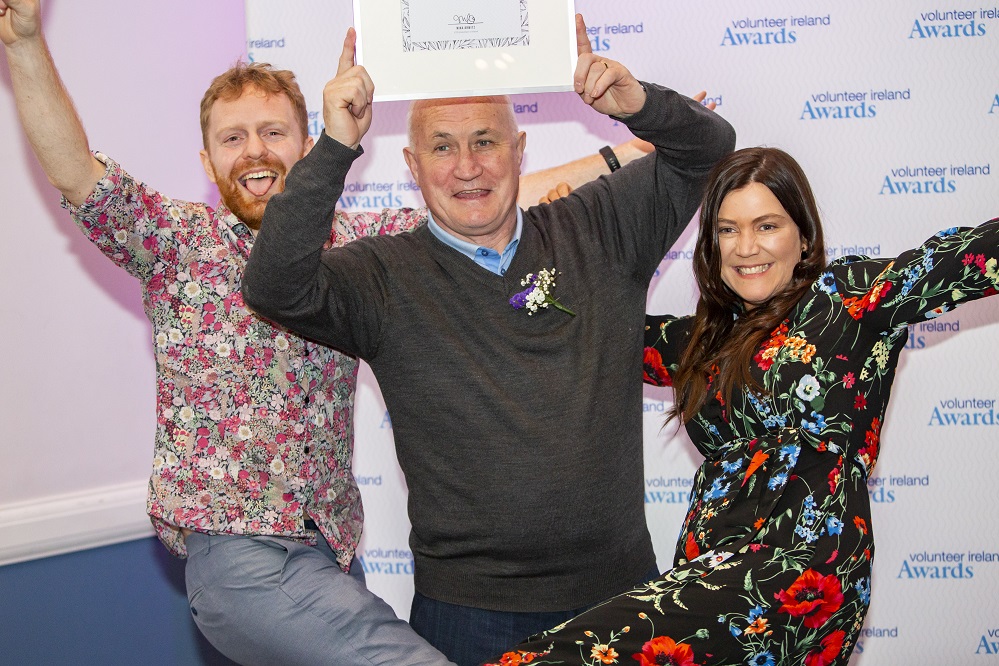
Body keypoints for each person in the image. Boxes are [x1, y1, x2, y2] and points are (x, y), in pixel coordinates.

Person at [0, 2, 652, 664]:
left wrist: (622, 154)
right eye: (232, 138)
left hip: (331, 555)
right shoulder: (176, 242)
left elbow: (489, 196)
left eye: (272, 132)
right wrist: (24, 44)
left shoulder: (360, 248)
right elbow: (76, 171)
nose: (254, 151)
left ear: (308, 148)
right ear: (207, 160)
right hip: (242, 554)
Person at [240, 13, 736, 665]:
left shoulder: (601, 226)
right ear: (413, 165)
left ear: (519, 150)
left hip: (621, 600)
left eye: (485, 141)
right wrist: (334, 145)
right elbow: (273, 285)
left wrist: (635, 103)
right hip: (469, 619)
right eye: (442, 147)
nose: (467, 167)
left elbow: (709, 148)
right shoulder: (380, 275)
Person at [486, 146, 999, 665]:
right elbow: (575, 324)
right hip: (706, 564)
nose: (746, 247)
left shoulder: (845, 299)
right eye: (727, 230)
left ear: (804, 236)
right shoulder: (698, 341)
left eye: (766, 225)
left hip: (798, 566)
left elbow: (968, 259)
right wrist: (565, 243)